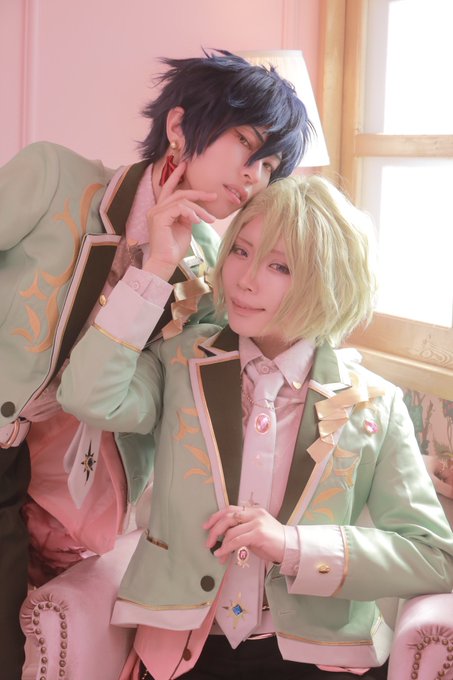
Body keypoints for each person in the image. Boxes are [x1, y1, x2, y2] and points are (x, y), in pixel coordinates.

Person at [58, 174, 453, 680]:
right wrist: (156, 269)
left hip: (321, 660)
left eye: (279, 266)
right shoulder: (179, 361)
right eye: (241, 251)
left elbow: (433, 556)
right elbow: (86, 396)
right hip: (183, 651)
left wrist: (293, 546)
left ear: (328, 279)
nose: (245, 279)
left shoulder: (375, 402)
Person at [0, 50, 311, 678]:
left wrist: (157, 267)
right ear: (178, 126)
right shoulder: (55, 177)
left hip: (30, 480)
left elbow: (131, 397)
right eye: (246, 143)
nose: (253, 175)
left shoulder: (208, 275)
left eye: (270, 166)